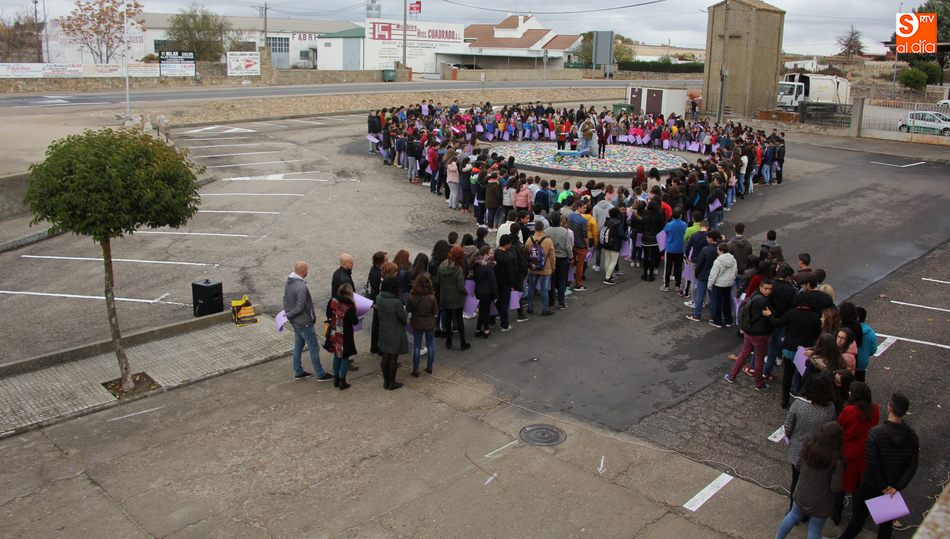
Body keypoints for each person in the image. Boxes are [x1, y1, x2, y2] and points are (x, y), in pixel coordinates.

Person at [838, 392, 919, 539]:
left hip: (871, 484)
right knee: (885, 526)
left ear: (889, 408)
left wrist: (882, 485)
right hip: (892, 487)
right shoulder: (912, 437)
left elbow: (872, 462)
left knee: (858, 519)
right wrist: (896, 487)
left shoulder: (876, 433)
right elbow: (912, 465)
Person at [774, 422, 844, 539]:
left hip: (802, 493)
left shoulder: (807, 449)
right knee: (814, 529)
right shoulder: (836, 462)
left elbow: (798, 467)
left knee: (792, 516)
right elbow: (835, 487)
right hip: (821, 502)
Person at [783, 372, 837, 510]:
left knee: (796, 479)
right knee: (813, 482)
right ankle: (806, 509)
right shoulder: (830, 408)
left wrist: (789, 437)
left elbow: (788, 426)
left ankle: (792, 508)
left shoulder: (798, 404)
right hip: (818, 451)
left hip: (798, 450)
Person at [834, 382, 880, 525]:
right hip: (864, 454)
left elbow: (839, 428)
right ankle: (856, 515)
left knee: (840, 486)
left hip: (847, 453)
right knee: (858, 487)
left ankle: (836, 514)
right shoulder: (875, 410)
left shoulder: (848, 411)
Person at [282, 261, 334, 382]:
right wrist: (291, 314)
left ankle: (298, 371)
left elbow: (285, 298)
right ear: (303, 271)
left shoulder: (289, 282)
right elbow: (300, 307)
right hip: (304, 322)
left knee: (298, 346)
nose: (308, 272)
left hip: (295, 322)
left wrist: (288, 314)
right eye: (307, 270)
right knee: (314, 348)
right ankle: (320, 374)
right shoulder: (301, 287)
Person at [724, 278, 773, 389]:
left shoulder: (753, 297)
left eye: (770, 289)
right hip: (760, 334)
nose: (768, 291)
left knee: (744, 353)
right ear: (760, 287)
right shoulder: (763, 301)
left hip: (748, 331)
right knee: (759, 358)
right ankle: (759, 383)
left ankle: (732, 375)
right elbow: (772, 317)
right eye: (766, 288)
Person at [375, 277, 408, 390]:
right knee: (393, 357)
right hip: (395, 331)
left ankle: (386, 382)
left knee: (385, 356)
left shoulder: (379, 298)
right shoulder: (396, 302)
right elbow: (403, 319)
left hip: (384, 330)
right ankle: (392, 383)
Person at [436, 246, 471, 350]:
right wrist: (466, 292)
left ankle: (448, 341)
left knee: (447, 317)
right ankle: (462, 342)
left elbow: (438, 281)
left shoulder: (442, 266)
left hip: (445, 295)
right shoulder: (458, 269)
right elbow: (460, 286)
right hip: (456, 297)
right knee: (459, 319)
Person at [326, 283, 358, 390]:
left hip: (334, 332)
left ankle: (335, 379)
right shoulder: (349, 306)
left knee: (336, 355)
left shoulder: (333, 301)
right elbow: (355, 321)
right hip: (345, 335)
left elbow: (328, 313)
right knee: (344, 357)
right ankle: (342, 381)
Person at [406, 273, 438, 377]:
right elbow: (436, 311)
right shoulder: (432, 297)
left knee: (417, 346)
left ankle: (415, 369)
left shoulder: (412, 297)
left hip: (417, 323)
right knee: (430, 345)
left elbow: (408, 309)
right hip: (429, 323)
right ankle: (429, 367)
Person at [524, 220, 555, 316]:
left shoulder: (529, 239)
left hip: (532, 268)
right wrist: (553, 268)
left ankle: (530, 308)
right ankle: (544, 309)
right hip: (545, 269)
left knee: (531, 288)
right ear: (543, 228)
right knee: (544, 289)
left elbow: (525, 254)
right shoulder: (548, 240)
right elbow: (552, 257)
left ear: (535, 228)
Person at [707, 242, 738, 328]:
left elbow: (713, 275)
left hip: (719, 285)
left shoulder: (718, 261)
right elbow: (735, 272)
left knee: (718, 303)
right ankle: (729, 320)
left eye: (717, 249)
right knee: (727, 302)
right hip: (729, 284)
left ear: (720, 251)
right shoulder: (733, 259)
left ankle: (718, 321)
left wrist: (709, 285)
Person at [472, 245, 498, 338]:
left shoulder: (476, 264)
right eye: (490, 253)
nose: (492, 254)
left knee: (482, 310)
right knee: (485, 311)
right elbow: (493, 282)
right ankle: (486, 330)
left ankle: (478, 329)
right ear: (485, 255)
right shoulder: (489, 266)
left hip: (478, 291)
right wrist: (496, 295)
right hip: (487, 292)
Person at [493, 234, 517, 332]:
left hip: (495, 282)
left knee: (496, 301)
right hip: (505, 283)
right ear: (507, 244)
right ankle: (504, 324)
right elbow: (510, 273)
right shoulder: (507, 257)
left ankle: (491, 321)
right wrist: (512, 285)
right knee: (504, 304)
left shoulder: (495, 254)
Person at [661, 207, 687, 292]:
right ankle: (678, 285)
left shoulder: (669, 225)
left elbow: (663, 235)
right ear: (680, 215)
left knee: (667, 267)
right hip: (680, 249)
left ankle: (666, 285)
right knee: (678, 268)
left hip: (669, 249)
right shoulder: (684, 224)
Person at [854, 307, 878, 382]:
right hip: (862, 363)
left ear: (857, 318)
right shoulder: (870, 332)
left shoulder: (850, 330)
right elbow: (873, 350)